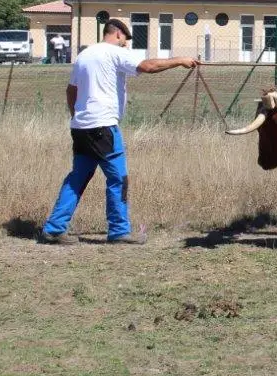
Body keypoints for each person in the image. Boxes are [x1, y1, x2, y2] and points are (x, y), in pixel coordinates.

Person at [40, 18, 198, 245]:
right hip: (103, 127)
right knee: (118, 179)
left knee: (77, 178)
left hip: (81, 128)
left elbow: (70, 91)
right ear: (117, 34)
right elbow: (148, 66)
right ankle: (119, 231)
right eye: (125, 40)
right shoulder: (114, 52)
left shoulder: (84, 55)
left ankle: (54, 229)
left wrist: (76, 116)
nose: (126, 45)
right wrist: (181, 60)